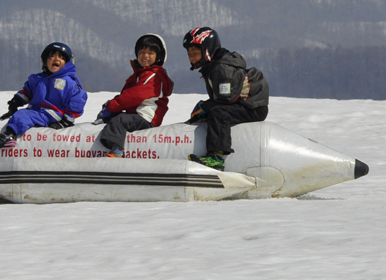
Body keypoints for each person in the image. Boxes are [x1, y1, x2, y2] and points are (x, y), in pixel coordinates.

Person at [182, 26, 269, 171]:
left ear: (208, 51)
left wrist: (204, 107)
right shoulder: (213, 66)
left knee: (218, 113)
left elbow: (225, 99)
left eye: (195, 53)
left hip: (253, 107)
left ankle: (216, 157)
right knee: (214, 111)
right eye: (189, 54)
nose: (191, 57)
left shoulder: (222, 68)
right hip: (244, 104)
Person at [0, 42, 88, 149]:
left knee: (23, 115)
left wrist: (67, 121)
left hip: (52, 113)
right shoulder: (38, 79)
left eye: (61, 57)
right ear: (45, 60)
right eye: (52, 56)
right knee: (24, 114)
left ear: (67, 63)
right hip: (36, 111)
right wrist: (16, 101)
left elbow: (78, 99)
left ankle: (8, 137)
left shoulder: (68, 82)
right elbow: (27, 92)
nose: (56, 59)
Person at [94, 33, 173, 156]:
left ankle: (117, 151)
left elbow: (134, 96)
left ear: (158, 57)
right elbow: (125, 94)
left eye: (150, 53)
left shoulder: (156, 76)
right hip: (136, 115)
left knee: (119, 120)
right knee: (114, 117)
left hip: (147, 117)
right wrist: (109, 107)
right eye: (142, 52)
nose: (145, 56)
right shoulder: (139, 75)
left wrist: (111, 106)